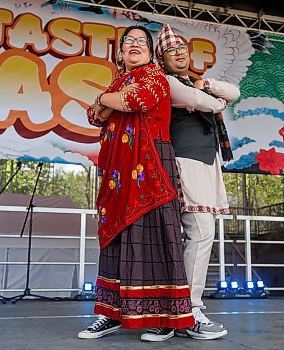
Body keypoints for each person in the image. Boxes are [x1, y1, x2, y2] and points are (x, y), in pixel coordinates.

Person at [78, 25, 195, 342]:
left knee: (156, 236)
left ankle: (168, 317)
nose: (134, 45)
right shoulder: (117, 82)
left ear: (150, 50)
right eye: (128, 41)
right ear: (120, 51)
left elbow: (137, 101)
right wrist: (108, 98)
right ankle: (111, 314)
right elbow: (93, 116)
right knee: (117, 235)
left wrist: (104, 99)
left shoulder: (154, 76)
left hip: (151, 161)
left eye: (141, 41)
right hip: (119, 170)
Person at [155, 24, 241, 340]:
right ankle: (188, 311)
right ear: (161, 59)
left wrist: (208, 86)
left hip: (203, 163)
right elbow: (211, 104)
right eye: (171, 51)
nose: (179, 54)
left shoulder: (195, 83)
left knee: (192, 235)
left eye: (182, 49)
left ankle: (171, 312)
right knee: (201, 232)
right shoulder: (166, 83)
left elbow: (233, 93)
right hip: (183, 162)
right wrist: (210, 97)